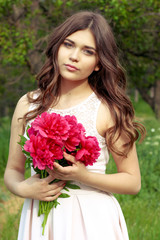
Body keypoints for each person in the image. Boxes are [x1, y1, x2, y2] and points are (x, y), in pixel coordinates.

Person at [4, 11, 145, 240]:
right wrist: (23, 189)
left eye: (88, 51)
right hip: (39, 217)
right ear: (57, 46)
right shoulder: (28, 105)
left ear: (99, 63)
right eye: (69, 44)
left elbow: (132, 181)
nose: (74, 56)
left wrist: (83, 175)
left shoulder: (108, 110)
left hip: (92, 221)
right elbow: (12, 170)